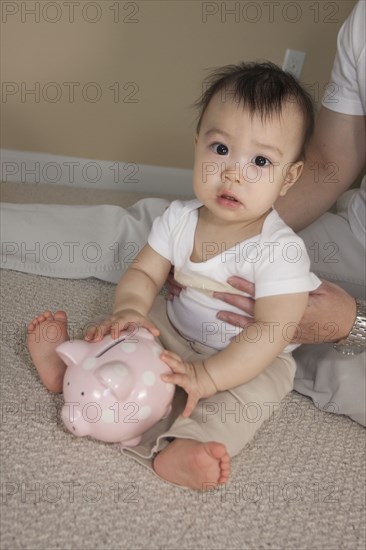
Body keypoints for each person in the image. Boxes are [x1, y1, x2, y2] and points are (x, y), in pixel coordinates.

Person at [27, 61, 322, 489]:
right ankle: (72, 373)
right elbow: (145, 272)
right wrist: (129, 308)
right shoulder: (179, 218)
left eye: (260, 160)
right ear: (198, 144)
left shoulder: (282, 250)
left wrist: (209, 376)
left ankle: (179, 448)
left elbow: (272, 331)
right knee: (124, 335)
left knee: (239, 404)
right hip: (176, 326)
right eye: (220, 149)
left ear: (289, 178)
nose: (233, 172)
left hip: (247, 356)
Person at [205, 0, 365, 426]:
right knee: (173, 228)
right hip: (357, 239)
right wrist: (233, 226)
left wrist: (355, 322)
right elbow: (330, 161)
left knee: (345, 375)